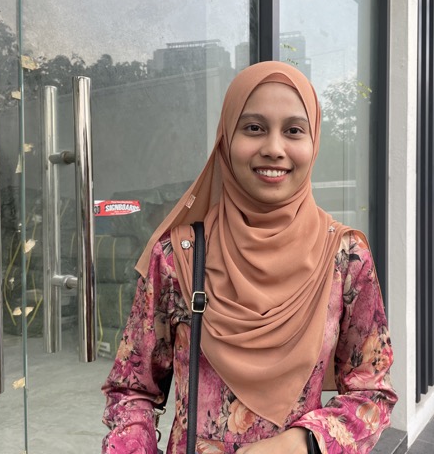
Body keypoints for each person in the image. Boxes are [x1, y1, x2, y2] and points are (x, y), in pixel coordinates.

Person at [101, 61, 397, 454]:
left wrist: (303, 442)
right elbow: (131, 391)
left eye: (293, 130)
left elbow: (372, 393)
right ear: (227, 137)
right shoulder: (177, 257)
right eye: (254, 128)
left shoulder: (345, 259)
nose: (273, 148)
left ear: (314, 143)